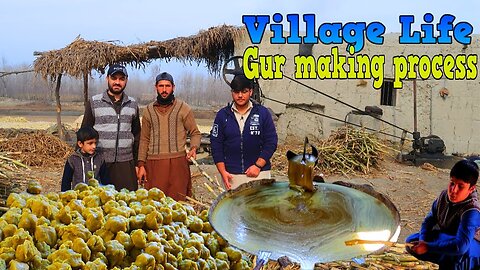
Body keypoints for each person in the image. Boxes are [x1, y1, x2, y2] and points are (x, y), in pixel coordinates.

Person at [136, 72, 201, 201]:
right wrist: (141, 164)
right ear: (156, 87)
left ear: (173, 87)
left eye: (167, 86)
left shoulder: (184, 108)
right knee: (155, 205)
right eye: (161, 86)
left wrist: (193, 149)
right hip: (154, 165)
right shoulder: (148, 111)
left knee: (179, 204)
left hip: (178, 164)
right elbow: (144, 139)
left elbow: (195, 133)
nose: (164, 90)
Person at [405, 159, 480, 269]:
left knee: (457, 256)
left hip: (469, 247)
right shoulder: (444, 196)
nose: (453, 190)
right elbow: (428, 221)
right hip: (447, 237)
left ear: (471, 189)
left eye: (461, 186)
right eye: (452, 183)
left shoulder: (471, 210)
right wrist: (423, 241)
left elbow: (461, 246)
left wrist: (428, 247)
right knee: (411, 242)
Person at [210, 74, 278, 190]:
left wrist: (258, 165)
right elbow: (216, 145)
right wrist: (223, 172)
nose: (240, 95)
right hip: (232, 176)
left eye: (244, 91)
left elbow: (271, 142)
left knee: (259, 208)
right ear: (232, 92)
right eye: (236, 92)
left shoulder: (262, 113)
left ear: (250, 92)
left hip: (259, 174)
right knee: (235, 208)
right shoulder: (223, 115)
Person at [81, 64, 141, 191]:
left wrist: (137, 164)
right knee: (100, 202)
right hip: (100, 162)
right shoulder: (94, 102)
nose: (117, 82)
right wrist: (82, 161)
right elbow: (84, 132)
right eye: (114, 78)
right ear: (107, 79)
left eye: (121, 79)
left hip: (125, 164)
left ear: (126, 80)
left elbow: (137, 136)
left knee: (127, 202)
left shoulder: (133, 104)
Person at [61, 126, 109, 191]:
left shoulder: (99, 158)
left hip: (95, 196)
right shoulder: (72, 160)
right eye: (90, 143)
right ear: (80, 144)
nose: (94, 146)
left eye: (95, 143)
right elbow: (66, 182)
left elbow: (105, 180)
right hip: (78, 198)